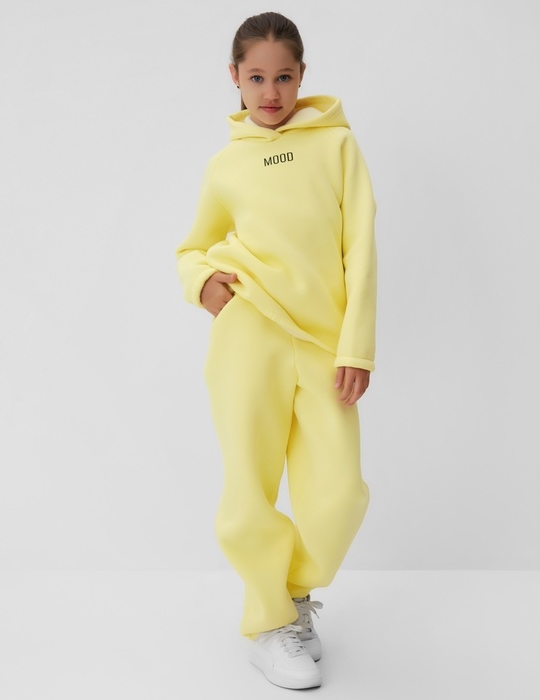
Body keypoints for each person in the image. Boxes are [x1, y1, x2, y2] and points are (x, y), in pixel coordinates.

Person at [176, 11, 377, 690]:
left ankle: (290, 596)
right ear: (234, 77)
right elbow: (192, 247)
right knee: (248, 485)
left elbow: (360, 248)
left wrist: (357, 347)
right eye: (256, 77)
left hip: (323, 343)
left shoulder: (337, 146)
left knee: (340, 493)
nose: (270, 92)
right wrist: (203, 283)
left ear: (302, 76)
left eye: (283, 77)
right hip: (247, 336)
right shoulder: (226, 162)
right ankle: (268, 625)